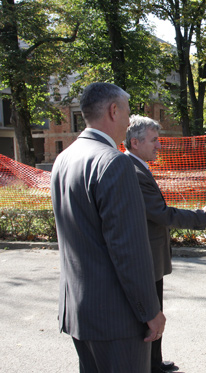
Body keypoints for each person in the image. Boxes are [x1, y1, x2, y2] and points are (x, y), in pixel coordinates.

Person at [50, 82, 166, 372]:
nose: (129, 121)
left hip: (79, 313)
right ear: (114, 111)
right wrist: (150, 311)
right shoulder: (114, 163)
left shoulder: (64, 158)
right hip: (117, 319)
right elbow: (128, 249)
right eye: (127, 112)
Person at [124, 115, 206, 373]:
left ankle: (154, 362)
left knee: (156, 310)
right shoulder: (132, 170)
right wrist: (201, 217)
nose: (159, 146)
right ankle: (149, 365)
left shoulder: (137, 166)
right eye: (154, 140)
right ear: (135, 142)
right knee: (151, 313)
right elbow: (162, 214)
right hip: (146, 258)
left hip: (152, 255)